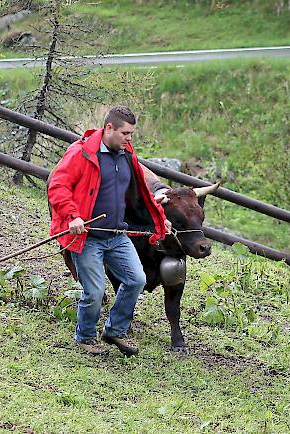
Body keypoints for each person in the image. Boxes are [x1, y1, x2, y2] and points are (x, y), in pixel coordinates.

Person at [47, 106, 171, 356]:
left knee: (136, 280)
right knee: (95, 291)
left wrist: (160, 219)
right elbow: (58, 186)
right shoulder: (82, 153)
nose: (129, 138)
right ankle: (85, 337)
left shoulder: (126, 156)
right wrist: (73, 216)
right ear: (109, 128)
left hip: (117, 235)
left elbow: (142, 195)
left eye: (132, 134)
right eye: (126, 133)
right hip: (88, 237)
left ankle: (115, 329)